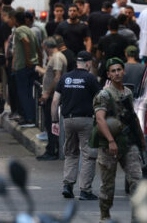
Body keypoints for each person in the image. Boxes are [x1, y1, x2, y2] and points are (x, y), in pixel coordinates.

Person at [93, 57, 145, 222]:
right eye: (113, 71)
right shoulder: (104, 94)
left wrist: (141, 139)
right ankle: (105, 215)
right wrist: (110, 141)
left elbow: (132, 116)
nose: (116, 73)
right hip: (110, 144)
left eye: (119, 70)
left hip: (128, 142)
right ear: (108, 74)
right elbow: (100, 119)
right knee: (108, 186)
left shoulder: (128, 93)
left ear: (124, 71)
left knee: (137, 179)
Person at [51, 51, 101, 200]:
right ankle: (85, 190)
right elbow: (100, 99)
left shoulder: (65, 78)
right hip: (86, 120)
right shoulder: (90, 78)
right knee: (88, 154)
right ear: (88, 63)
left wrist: (54, 121)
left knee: (71, 153)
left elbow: (55, 102)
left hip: (68, 120)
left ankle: (68, 185)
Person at [35, 37, 68, 161]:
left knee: (52, 124)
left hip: (53, 96)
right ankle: (52, 148)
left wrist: (47, 94)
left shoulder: (57, 57)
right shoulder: (56, 57)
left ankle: (52, 150)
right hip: (52, 95)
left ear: (46, 47)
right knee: (50, 124)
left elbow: (57, 77)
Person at [10, 10, 42, 125]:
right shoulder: (30, 30)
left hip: (23, 67)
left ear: (16, 20)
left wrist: (27, 60)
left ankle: (29, 118)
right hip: (32, 65)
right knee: (29, 93)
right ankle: (31, 117)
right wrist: (39, 62)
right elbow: (39, 48)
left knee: (24, 93)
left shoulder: (19, 30)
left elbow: (26, 42)